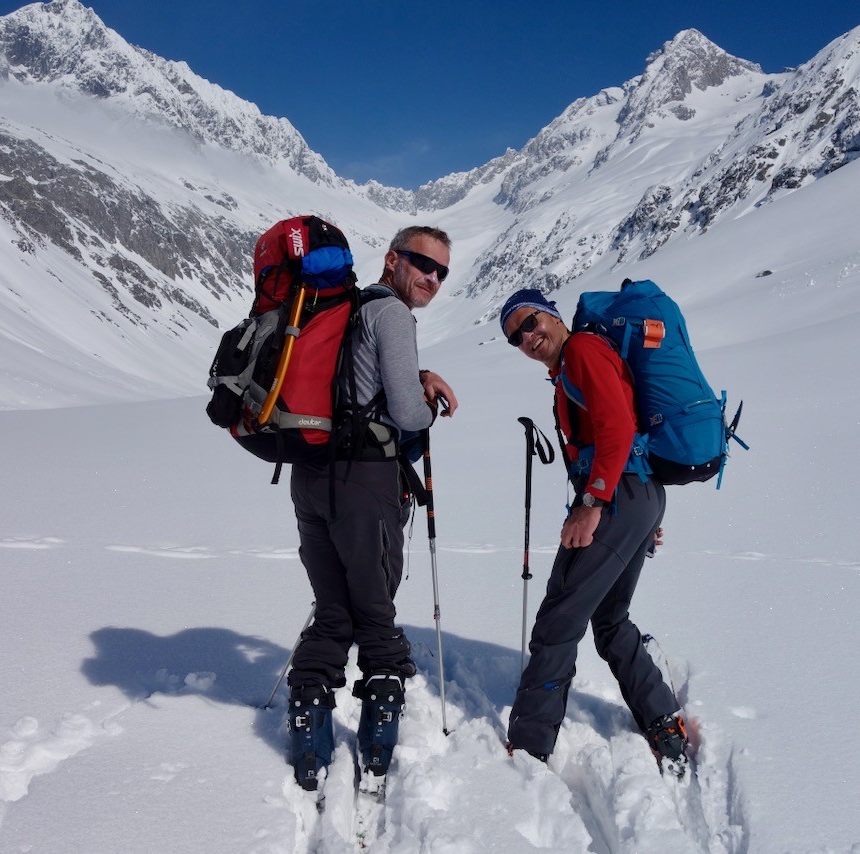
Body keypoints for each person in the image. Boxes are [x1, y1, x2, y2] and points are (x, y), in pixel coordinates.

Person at [286, 225, 458, 792]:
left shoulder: (345, 311)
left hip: (311, 476)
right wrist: (427, 402)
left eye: (441, 272)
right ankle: (378, 738)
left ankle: (310, 733)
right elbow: (407, 413)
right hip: (365, 482)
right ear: (393, 260)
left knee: (334, 606)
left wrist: (416, 374)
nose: (431, 278)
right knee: (376, 608)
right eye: (422, 264)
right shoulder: (392, 316)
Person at [498, 287, 692, 773]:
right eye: (514, 337)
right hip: (633, 497)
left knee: (560, 618)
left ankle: (529, 745)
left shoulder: (583, 349)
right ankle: (663, 720)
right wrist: (634, 519)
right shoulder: (570, 366)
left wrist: (593, 503)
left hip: (617, 495)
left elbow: (616, 427)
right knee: (609, 620)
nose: (526, 337)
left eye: (529, 323)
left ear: (552, 316)